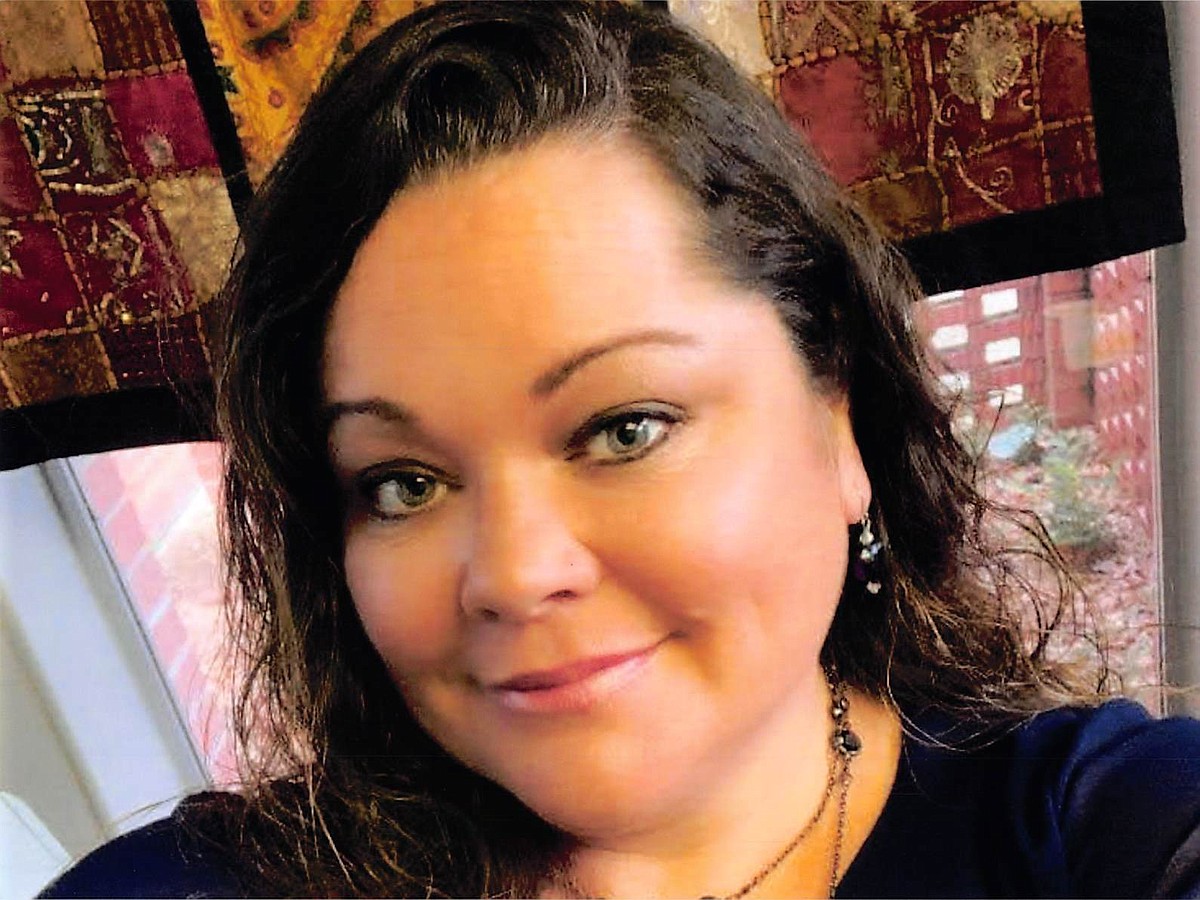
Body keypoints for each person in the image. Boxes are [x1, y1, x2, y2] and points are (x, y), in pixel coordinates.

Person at [41, 2, 1200, 898]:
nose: (512, 573)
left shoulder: (1097, 832)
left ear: (839, 422)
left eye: (623, 428)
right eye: (404, 483)